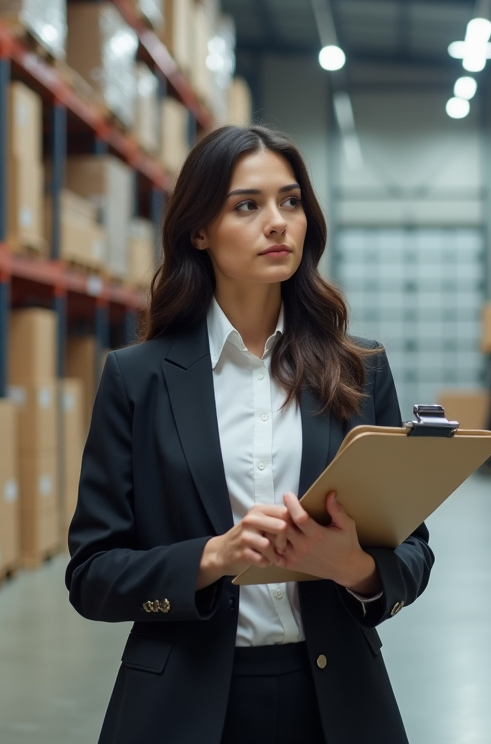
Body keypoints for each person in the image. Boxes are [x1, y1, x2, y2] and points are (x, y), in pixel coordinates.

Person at [65, 126, 432, 744]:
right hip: (183, 704)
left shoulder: (359, 370)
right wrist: (212, 559)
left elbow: (414, 555)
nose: (278, 222)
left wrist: (355, 568)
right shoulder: (137, 379)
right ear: (198, 231)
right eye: (247, 205)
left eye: (291, 202)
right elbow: (92, 576)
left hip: (336, 703)